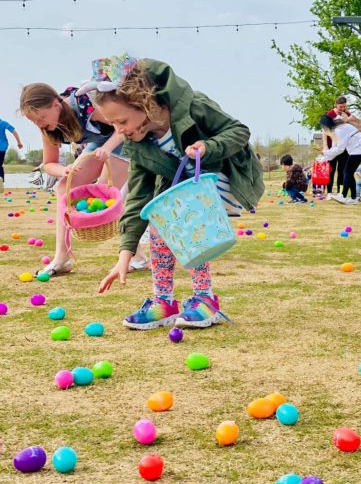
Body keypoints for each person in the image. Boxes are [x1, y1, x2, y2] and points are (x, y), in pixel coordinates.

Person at [85, 55, 263, 330]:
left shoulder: (193, 106)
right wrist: (125, 254)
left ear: (143, 102)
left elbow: (239, 131)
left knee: (184, 216)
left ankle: (205, 299)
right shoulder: (139, 143)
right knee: (160, 221)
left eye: (122, 121)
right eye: (113, 126)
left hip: (226, 175)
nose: (119, 131)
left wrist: (207, 146)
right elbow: (137, 198)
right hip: (185, 189)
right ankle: (163, 301)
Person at [20, 80, 149, 276]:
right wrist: (64, 170)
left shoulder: (83, 104)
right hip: (100, 142)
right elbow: (48, 164)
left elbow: (123, 124)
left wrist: (107, 148)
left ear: (56, 104)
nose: (40, 124)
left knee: (106, 193)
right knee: (63, 189)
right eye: (34, 121)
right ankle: (62, 259)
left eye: (42, 118)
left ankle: (136, 256)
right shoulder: (47, 127)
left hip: (124, 135)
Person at [319, 114, 361, 205]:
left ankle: (343, 196)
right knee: (348, 172)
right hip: (357, 148)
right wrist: (322, 159)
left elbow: (340, 149)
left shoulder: (339, 130)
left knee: (347, 172)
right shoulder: (336, 130)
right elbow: (334, 149)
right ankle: (354, 198)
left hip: (360, 147)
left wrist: (326, 154)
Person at [324, 96, 352, 196]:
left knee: (342, 170)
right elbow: (324, 130)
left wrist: (347, 119)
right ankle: (329, 191)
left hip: (344, 148)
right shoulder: (330, 114)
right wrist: (325, 146)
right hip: (332, 147)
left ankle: (340, 192)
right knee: (331, 170)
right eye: (340, 107)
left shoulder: (347, 114)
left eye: (344, 107)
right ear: (336, 105)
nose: (342, 109)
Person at [0, 117, 24, 192]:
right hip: (2, 146)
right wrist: (19, 142)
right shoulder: (3, 123)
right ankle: (1, 180)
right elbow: (14, 131)